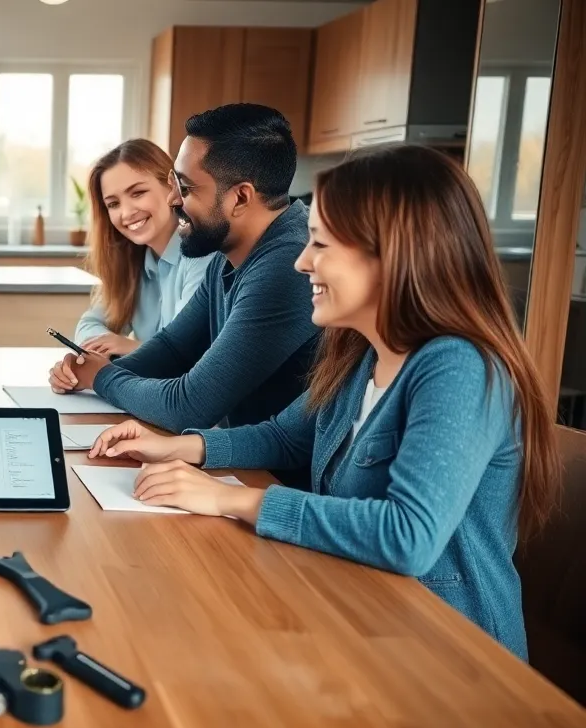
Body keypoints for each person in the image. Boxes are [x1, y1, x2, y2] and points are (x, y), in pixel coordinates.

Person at [88, 144, 561, 660]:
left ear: (393, 253)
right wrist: (179, 448)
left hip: (446, 655)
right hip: (360, 612)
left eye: (320, 244)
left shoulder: (458, 367)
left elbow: (408, 535)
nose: (301, 261)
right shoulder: (363, 351)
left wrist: (231, 500)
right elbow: (286, 436)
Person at [50, 103, 321, 487]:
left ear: (240, 198)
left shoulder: (287, 265)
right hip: (242, 466)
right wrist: (89, 370)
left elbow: (189, 405)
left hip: (280, 485)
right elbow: (173, 349)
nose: (173, 198)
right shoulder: (228, 252)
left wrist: (104, 378)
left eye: (186, 187)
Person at [72, 139, 215, 358]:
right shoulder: (132, 263)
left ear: (172, 187)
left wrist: (131, 347)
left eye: (137, 193)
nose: (126, 213)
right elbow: (89, 323)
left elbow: (189, 354)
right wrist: (103, 349)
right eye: (113, 204)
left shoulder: (202, 257)